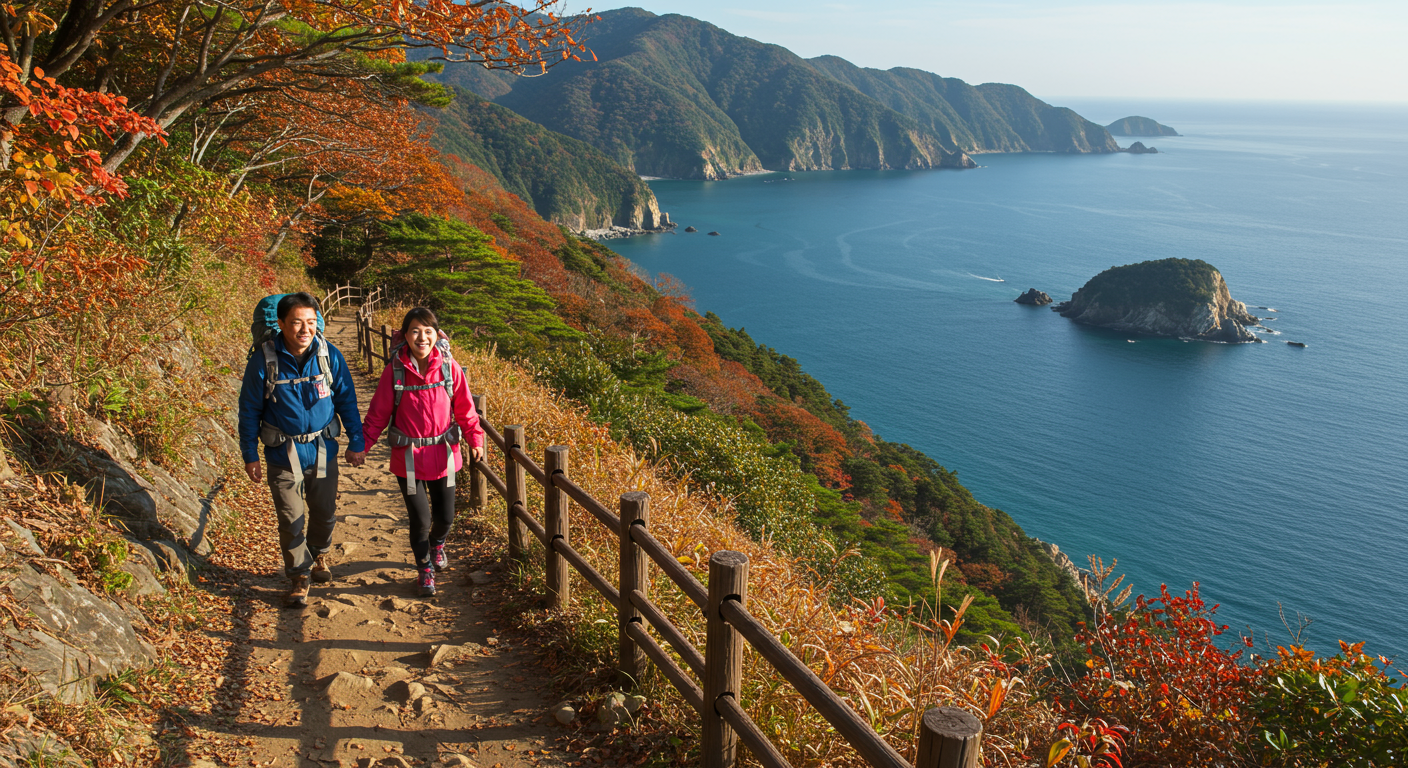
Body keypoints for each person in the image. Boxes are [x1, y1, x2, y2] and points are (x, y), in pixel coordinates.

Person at [238, 292, 365, 607]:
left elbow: (347, 400)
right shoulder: (264, 361)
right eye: (297, 322)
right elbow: (249, 410)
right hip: (283, 455)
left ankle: (319, 554)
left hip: (322, 451)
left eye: (310, 322)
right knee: (291, 516)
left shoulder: (328, 355)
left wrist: (357, 441)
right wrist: (250, 454)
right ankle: (299, 575)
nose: (304, 329)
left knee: (324, 513)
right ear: (281, 324)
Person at [362, 308, 484, 597]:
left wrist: (475, 439)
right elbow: (377, 414)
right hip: (409, 459)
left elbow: (465, 409)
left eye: (428, 330)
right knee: (421, 520)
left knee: (446, 517)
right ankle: (425, 569)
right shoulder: (395, 370)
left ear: (436, 335)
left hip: (445, 456)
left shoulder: (448, 367)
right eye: (415, 330)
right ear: (405, 336)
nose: (422, 336)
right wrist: (362, 447)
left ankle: (437, 544)